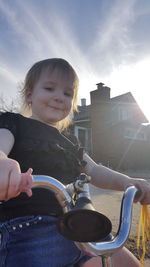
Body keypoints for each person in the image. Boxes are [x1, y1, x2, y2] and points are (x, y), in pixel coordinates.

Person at [0, 58, 149, 267]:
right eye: (50, 88)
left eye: (67, 93)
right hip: (29, 230)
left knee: (126, 262)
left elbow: (95, 170)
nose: (59, 97)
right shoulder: (13, 123)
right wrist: (2, 162)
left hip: (80, 226)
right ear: (29, 94)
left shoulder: (69, 140)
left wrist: (127, 182)